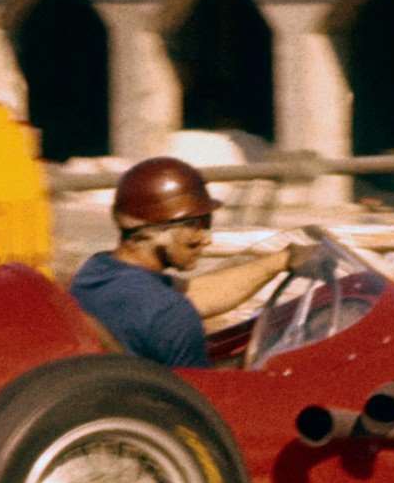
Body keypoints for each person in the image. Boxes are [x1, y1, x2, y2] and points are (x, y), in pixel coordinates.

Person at [68, 155, 294, 368]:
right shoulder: (170, 313)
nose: (206, 239)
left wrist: (280, 261)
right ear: (152, 232)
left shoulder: (97, 272)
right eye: (196, 226)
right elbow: (204, 398)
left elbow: (194, 294)